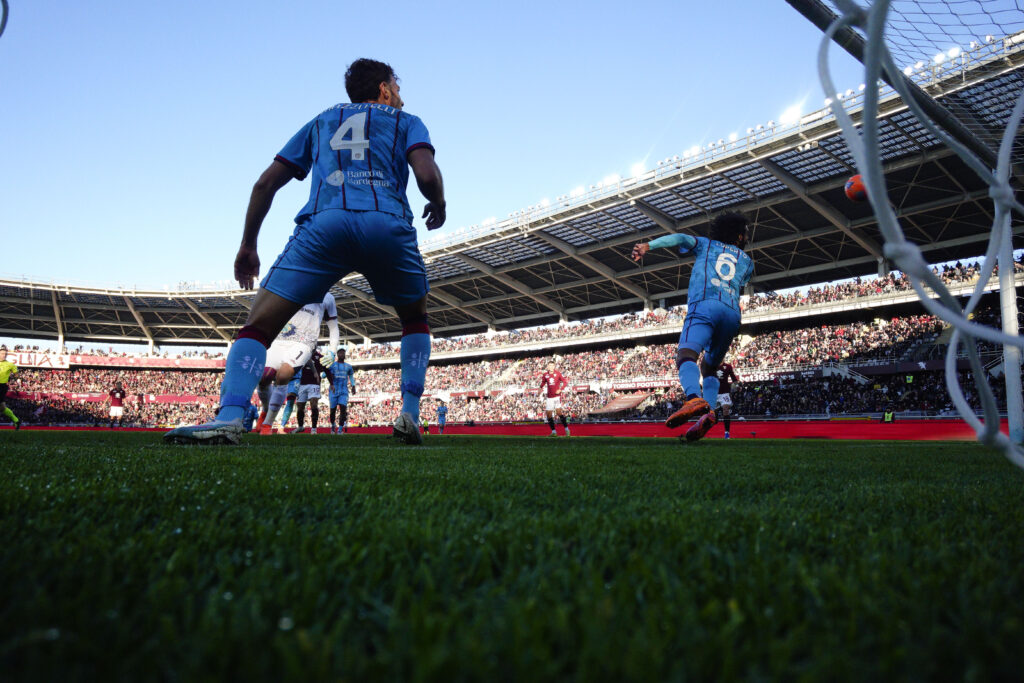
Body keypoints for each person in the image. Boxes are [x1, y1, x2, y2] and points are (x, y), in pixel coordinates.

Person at [165, 58, 445, 446]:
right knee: (414, 319)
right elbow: (426, 175)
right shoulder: (409, 121)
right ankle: (410, 414)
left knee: (258, 327)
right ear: (384, 89)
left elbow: (265, 184)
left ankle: (228, 417)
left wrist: (248, 245)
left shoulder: (321, 121)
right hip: (387, 225)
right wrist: (439, 202)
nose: (400, 96)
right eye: (397, 89)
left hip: (324, 226)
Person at [631, 211, 753, 443]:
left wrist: (648, 245)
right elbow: (740, 279)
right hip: (731, 314)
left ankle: (693, 398)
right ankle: (709, 413)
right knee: (709, 367)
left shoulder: (705, 244)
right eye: (745, 234)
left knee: (686, 355)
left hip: (704, 304)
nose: (747, 238)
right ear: (738, 237)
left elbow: (680, 238)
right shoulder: (747, 261)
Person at [256, 294, 339, 435]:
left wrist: (332, 350)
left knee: (283, 375)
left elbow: (333, 327)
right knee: (264, 377)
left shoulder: (328, 297)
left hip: (304, 342)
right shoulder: (293, 285)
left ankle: (267, 425)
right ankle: (265, 410)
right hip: (280, 339)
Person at [293, 350, 331, 434]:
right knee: (300, 407)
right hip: (301, 384)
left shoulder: (320, 357)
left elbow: (327, 370)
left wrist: (331, 383)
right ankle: (300, 427)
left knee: (314, 404)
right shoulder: (302, 354)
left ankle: (313, 429)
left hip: (314, 384)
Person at [327, 348, 356, 434]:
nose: (342, 354)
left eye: (343, 353)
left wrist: (353, 385)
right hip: (333, 390)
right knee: (332, 411)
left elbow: (351, 376)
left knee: (343, 409)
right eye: (340, 353)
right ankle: (333, 425)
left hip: (344, 391)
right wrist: (328, 371)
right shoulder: (332, 365)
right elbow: (324, 375)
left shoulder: (348, 366)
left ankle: (340, 430)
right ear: (337, 355)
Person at [540, 361, 570, 437]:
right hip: (549, 397)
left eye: (552, 365)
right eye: (550, 365)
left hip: (557, 396)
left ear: (554, 366)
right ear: (548, 366)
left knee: (558, 412)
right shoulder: (545, 375)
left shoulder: (558, 374)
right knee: (548, 414)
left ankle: (567, 429)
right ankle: (554, 432)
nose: (551, 367)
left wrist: (561, 389)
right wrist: (540, 388)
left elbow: (565, 382)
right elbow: (543, 382)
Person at [713, 358, 740, 439]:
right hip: (714, 393)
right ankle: (716, 418)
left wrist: (737, 385)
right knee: (714, 416)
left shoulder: (728, 366)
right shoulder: (712, 366)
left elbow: (733, 377)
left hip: (725, 392)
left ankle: (727, 433)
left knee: (725, 409)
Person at [0, 347, 21, 430]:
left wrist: (15, 380)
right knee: (2, 407)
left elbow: (16, 373)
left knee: (2, 407)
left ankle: (16, 420)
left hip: (2, 387)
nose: (4, 355)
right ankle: (16, 421)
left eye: (5, 354)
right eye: (2, 353)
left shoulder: (10, 365)